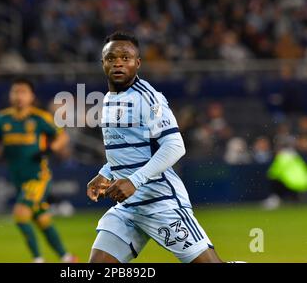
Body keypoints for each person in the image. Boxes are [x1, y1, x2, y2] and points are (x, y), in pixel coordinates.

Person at [87, 32, 225, 263]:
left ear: (137, 63)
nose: (118, 62)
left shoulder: (149, 99)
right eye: (111, 58)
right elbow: (127, 148)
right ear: (103, 63)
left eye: (125, 58)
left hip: (160, 202)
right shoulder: (110, 99)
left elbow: (174, 145)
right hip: (128, 207)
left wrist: (134, 181)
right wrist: (105, 173)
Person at [0, 77, 77, 263]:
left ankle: (37, 259)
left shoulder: (40, 118)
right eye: (15, 91)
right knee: (42, 220)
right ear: (10, 95)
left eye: (23, 92)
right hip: (18, 178)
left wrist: (50, 150)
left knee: (20, 215)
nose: (18, 96)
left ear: (31, 96)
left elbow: (63, 137)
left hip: (38, 177)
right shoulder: (1, 119)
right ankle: (67, 258)